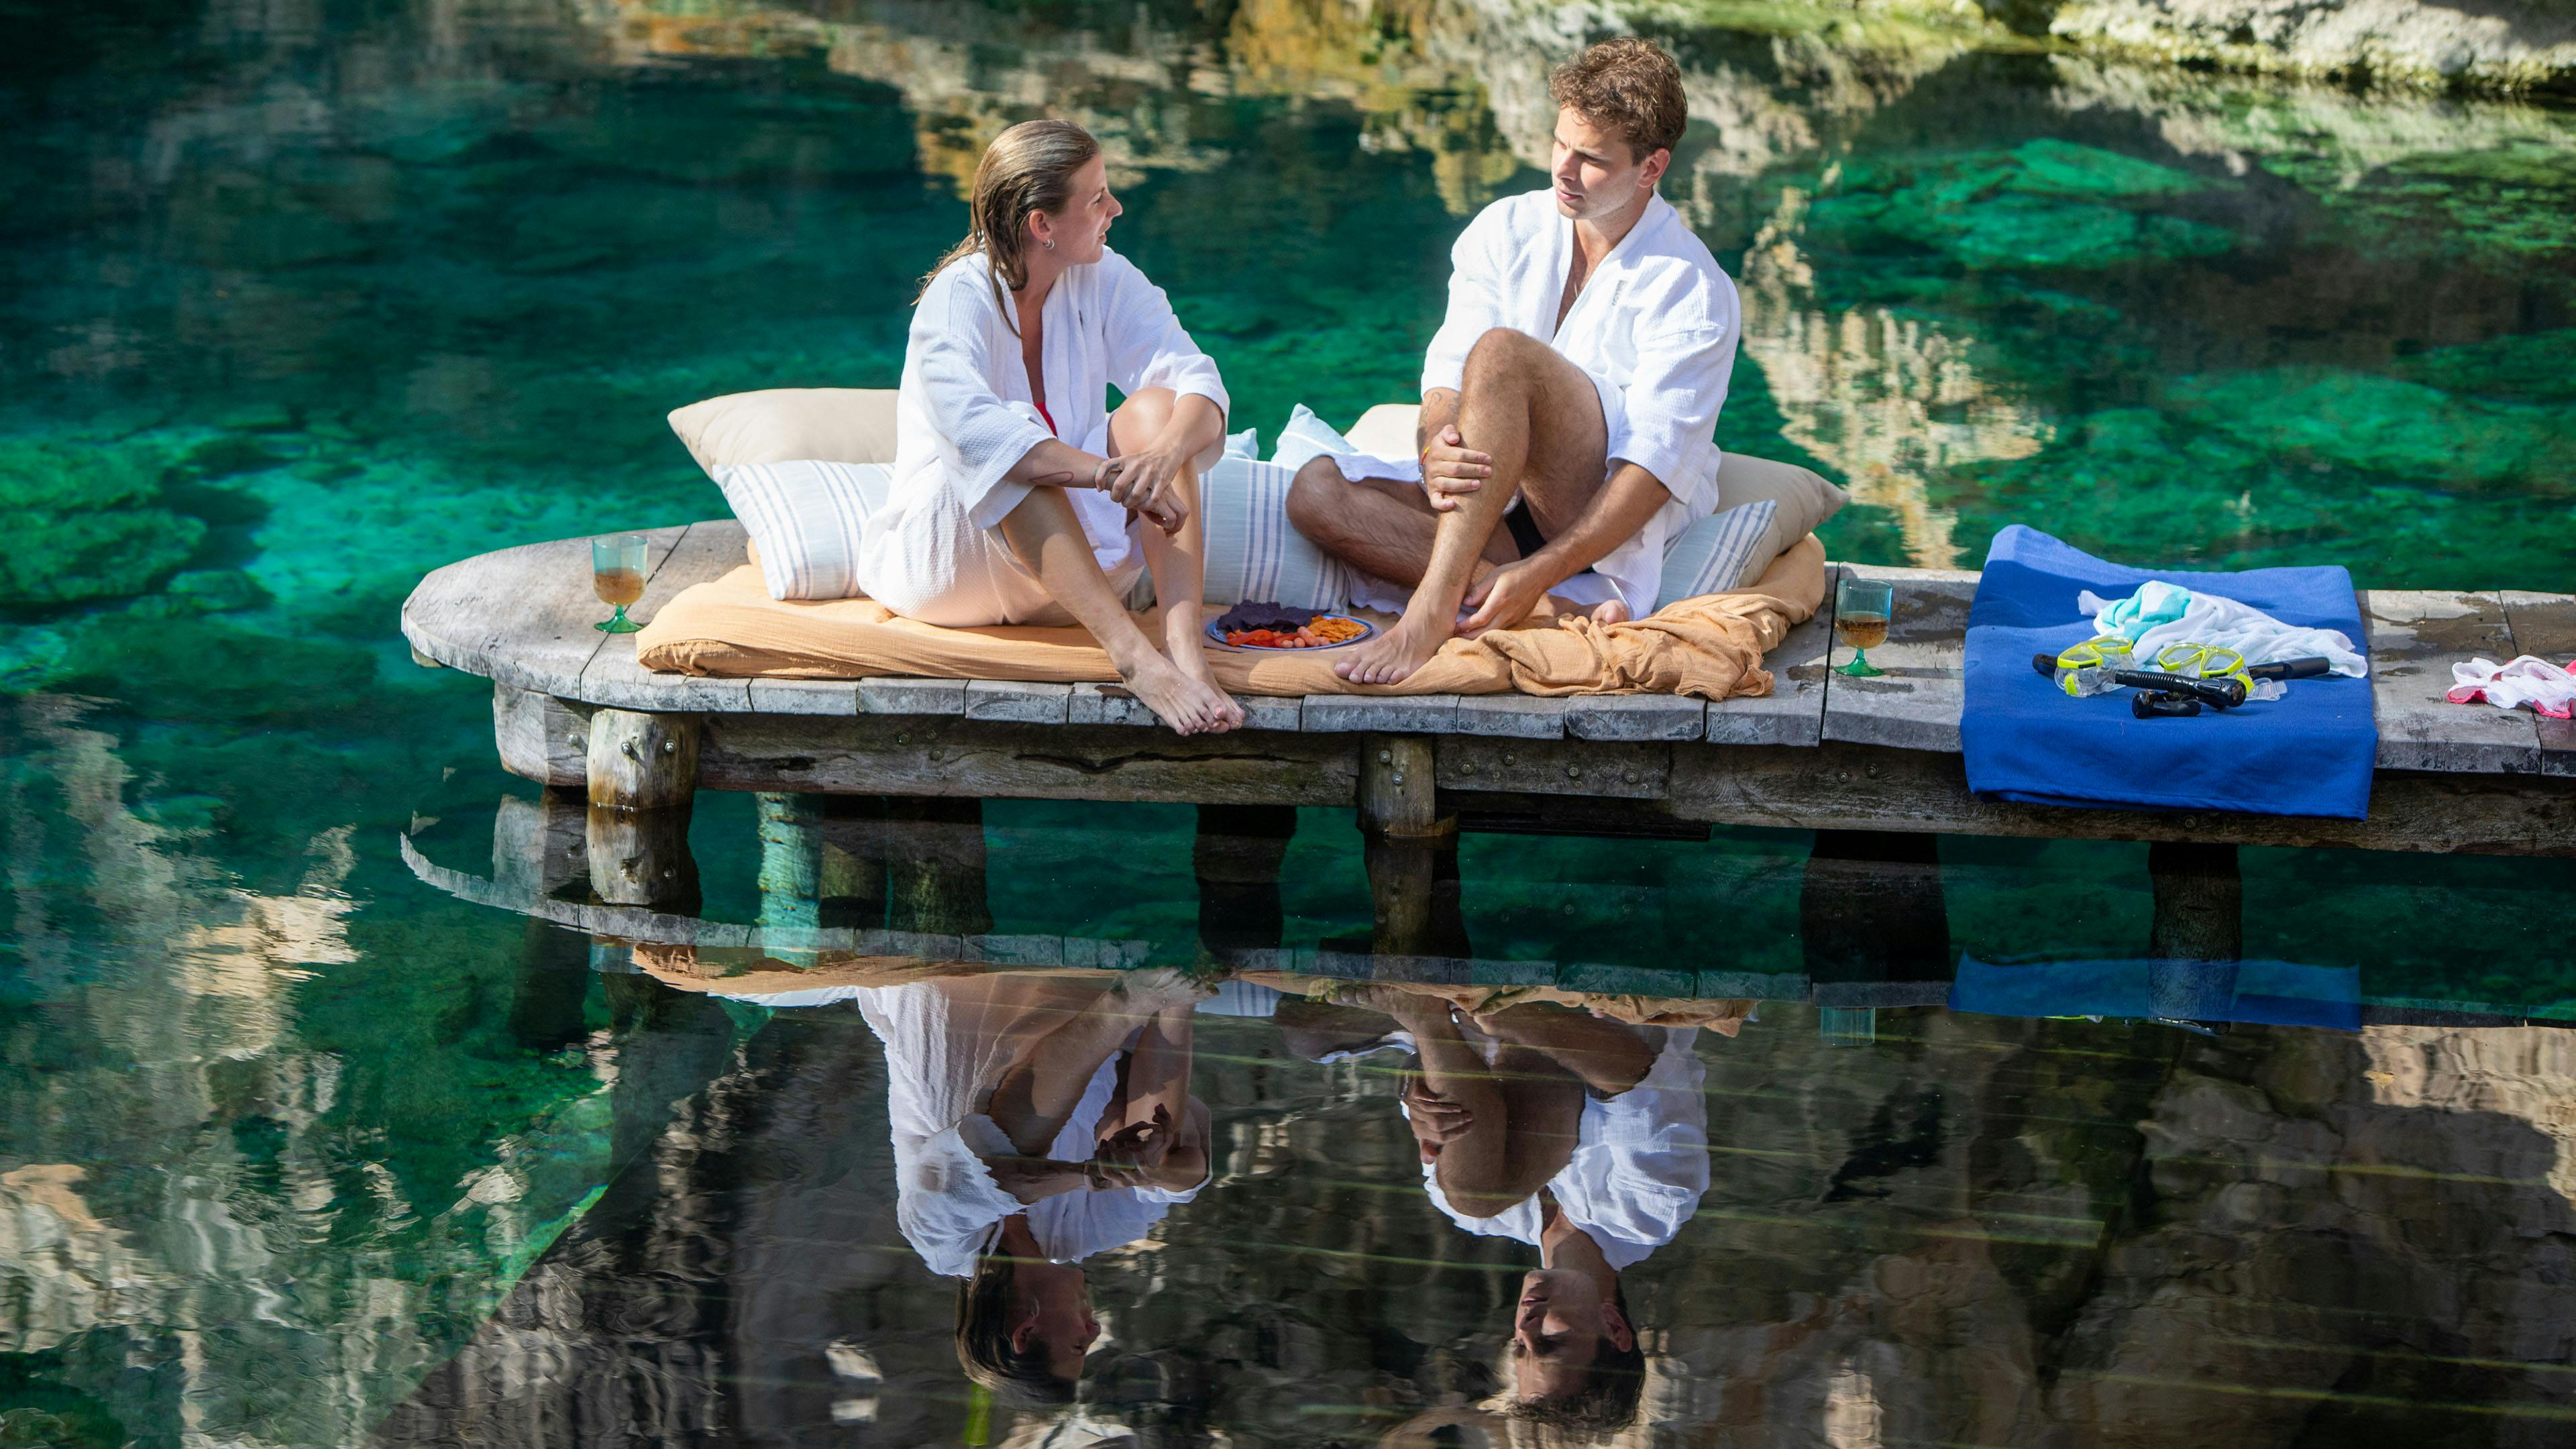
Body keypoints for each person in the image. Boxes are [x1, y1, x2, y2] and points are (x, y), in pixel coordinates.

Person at [1284, 39, 1741, 684]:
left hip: (1594, 523)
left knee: (1503, 355)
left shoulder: (1691, 286)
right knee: (1315, 492)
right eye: (1560, 144)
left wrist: (1545, 564)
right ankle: (1534, 604)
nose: (1563, 169)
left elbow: (1655, 469)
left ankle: (1433, 611)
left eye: (1591, 159)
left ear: (1651, 167)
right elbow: (1445, 379)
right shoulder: (1507, 228)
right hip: (1494, 515)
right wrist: (1431, 450)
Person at [858, 118, 1244, 735]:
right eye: (1097, 199)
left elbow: (1197, 378)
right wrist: (1106, 472)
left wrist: (1163, 455)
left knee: (1156, 410)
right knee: (1015, 438)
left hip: (1075, 566)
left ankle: (1184, 648)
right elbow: (979, 434)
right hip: (955, 565)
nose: (1115, 209)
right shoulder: (958, 297)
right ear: (1042, 225)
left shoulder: (1102, 274)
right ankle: (1134, 658)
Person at [1307, 988, 1709, 1432]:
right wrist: (1510, 1020)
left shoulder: (1485, 1220)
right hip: (1588, 998)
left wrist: (1418, 1100)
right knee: (1477, 1194)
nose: (1526, 1325)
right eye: (1551, 1343)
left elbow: (1427, 1075)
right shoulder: (1650, 1212)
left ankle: (1425, 1011)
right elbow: (1634, 1072)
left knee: (1303, 1034)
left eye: (1520, 1347)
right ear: (1613, 1326)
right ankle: (1428, 1010)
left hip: (1464, 1014)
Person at [844, 969, 1214, 1406]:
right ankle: (1180, 993)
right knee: (1157, 1162)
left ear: (1026, 1331)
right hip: (1078, 989)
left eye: (1079, 1344)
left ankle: (1132, 1001)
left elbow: (1004, 1172)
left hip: (950, 984)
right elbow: (1185, 1177)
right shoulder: (1092, 1234)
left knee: (1001, 1149)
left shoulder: (940, 1242)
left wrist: (1093, 1174)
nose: (1094, 1329)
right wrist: (1149, 1169)